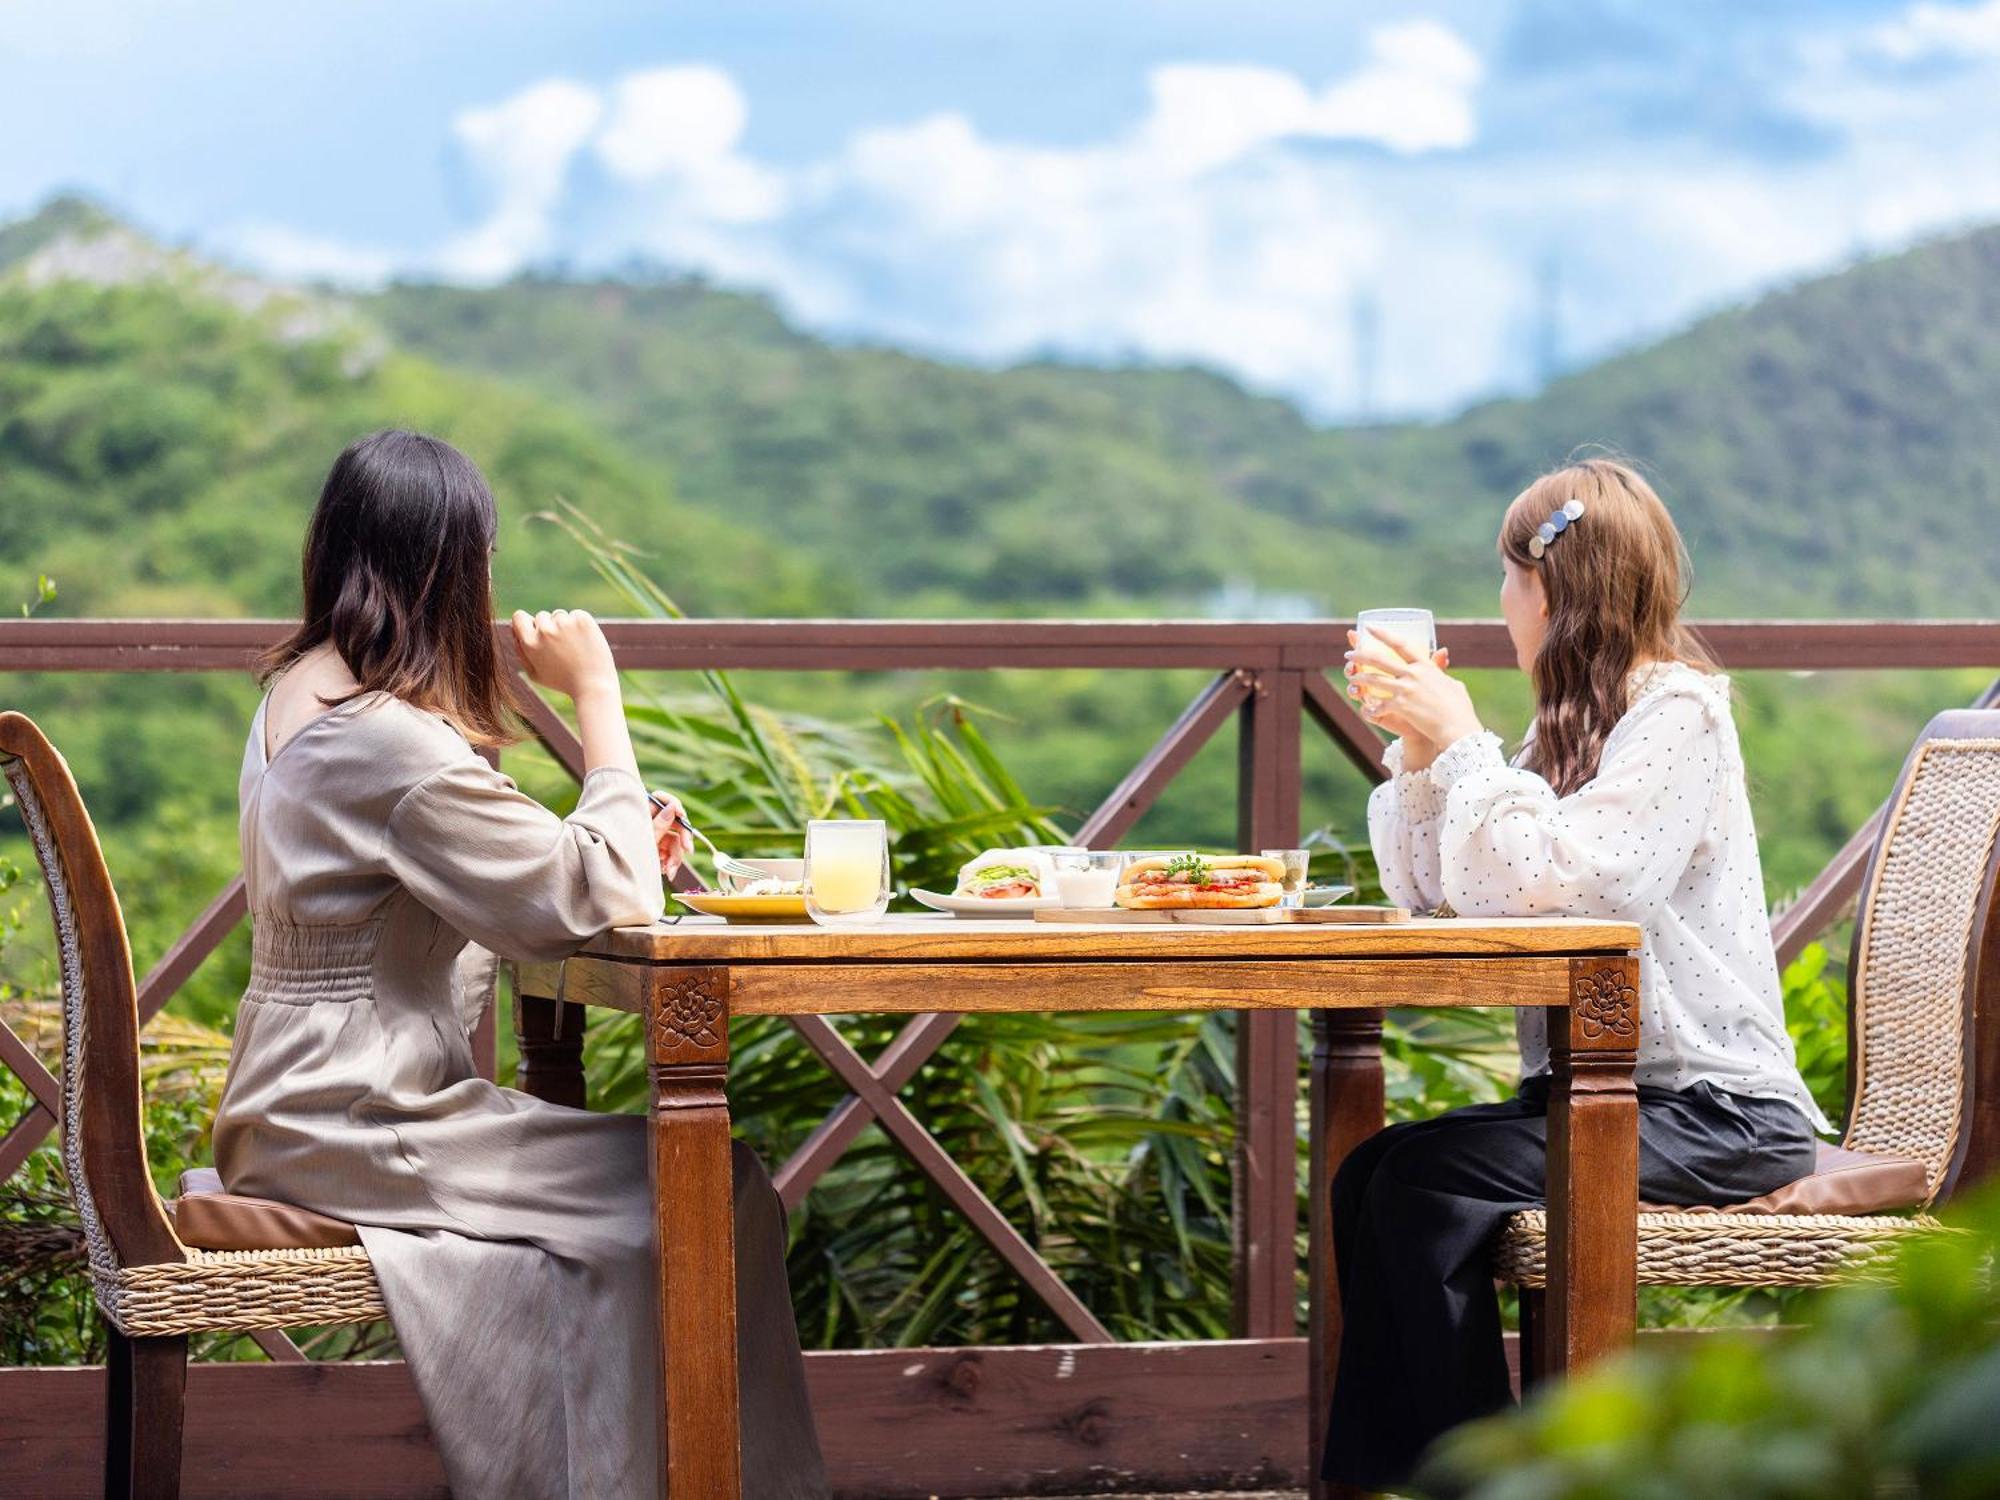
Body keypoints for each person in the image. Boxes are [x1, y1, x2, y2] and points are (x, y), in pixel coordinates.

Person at [212, 430, 829, 1499]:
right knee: (712, 1189)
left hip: (294, 1099)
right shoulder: (386, 739)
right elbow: (596, 898)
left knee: (674, 1195)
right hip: (358, 1116)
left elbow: (536, 874)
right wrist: (598, 698)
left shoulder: (297, 695)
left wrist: (612, 836)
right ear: (457, 567)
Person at [1321, 456, 1827, 1491]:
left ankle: (1487, 1480)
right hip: (1604, 1094)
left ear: (1548, 591)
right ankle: (1417, 1475)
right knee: (1370, 1172)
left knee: (1418, 1186)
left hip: (1714, 1110)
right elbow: (1445, 893)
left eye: (1507, 579)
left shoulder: (1674, 716)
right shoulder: (1571, 731)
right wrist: (1424, 754)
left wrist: (1462, 745)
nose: (1499, 606)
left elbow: (1571, 885)